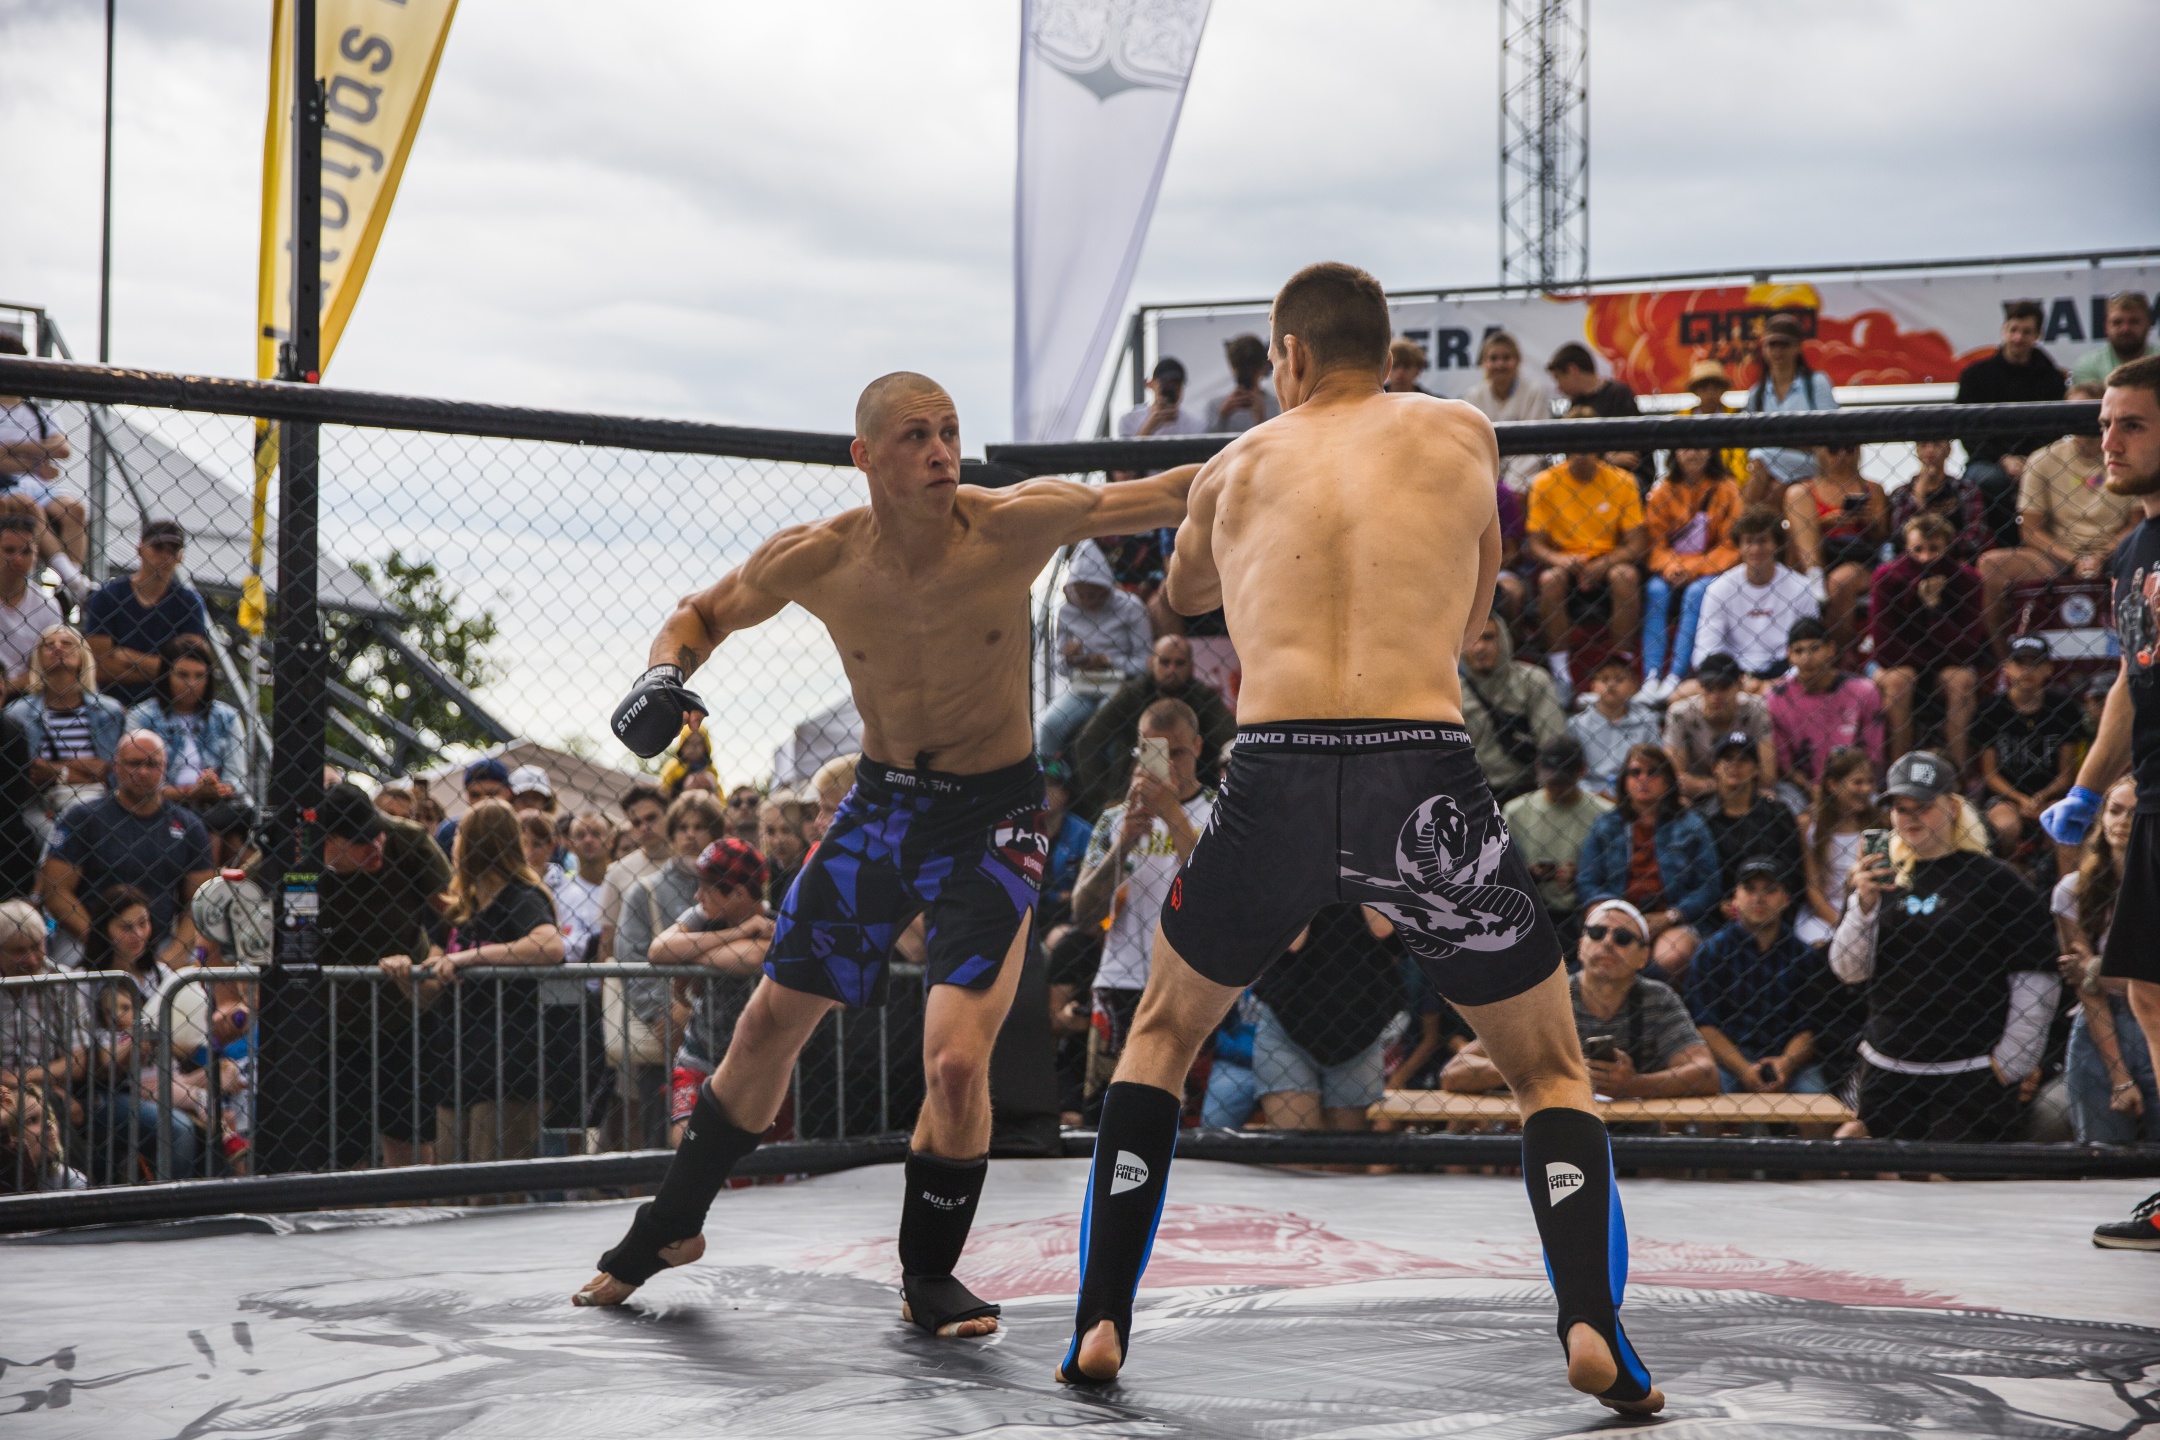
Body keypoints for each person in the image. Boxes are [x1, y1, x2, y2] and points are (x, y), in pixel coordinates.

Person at [1060, 263, 1664, 1413]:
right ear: (1388, 355)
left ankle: (1100, 1319)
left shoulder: (1236, 465)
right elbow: (1477, 614)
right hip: (1416, 771)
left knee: (1162, 1037)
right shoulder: (1460, 432)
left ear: (1287, 357)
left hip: (1274, 771)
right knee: (1549, 1069)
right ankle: (1592, 1324)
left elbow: (1185, 597)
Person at [578, 369, 1197, 1343]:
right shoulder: (820, 556)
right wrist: (662, 672)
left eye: (950, 431)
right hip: (881, 809)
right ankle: (673, 1222)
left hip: (993, 816)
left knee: (954, 1063)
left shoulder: (1014, 526)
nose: (942, 451)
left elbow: (1166, 491)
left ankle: (929, 1273)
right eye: (916, 435)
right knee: (765, 1025)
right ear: (864, 456)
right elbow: (701, 613)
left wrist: (1301, 452)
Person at [2040, 353, 2160, 1247]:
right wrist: (2086, 791)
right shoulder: (2132, 551)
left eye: (2132, 425)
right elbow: (2128, 679)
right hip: (2151, 791)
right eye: (2105, 423)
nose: (2108, 442)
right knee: (2149, 992)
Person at [1833, 751, 2059, 1142]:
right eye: (1900, 809)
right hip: (1889, 1066)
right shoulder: (1880, 880)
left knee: (1951, 1176)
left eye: (1923, 807)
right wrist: (1862, 906)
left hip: (1969, 1069)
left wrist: (2010, 1062)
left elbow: (2036, 974)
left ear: (1953, 807)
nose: (1911, 818)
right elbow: (1849, 970)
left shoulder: (1997, 882)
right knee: (1887, 1174)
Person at [1069, 699, 1215, 1119]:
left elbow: (1216, 894)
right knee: (1107, 1113)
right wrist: (1123, 845)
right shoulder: (1116, 819)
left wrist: (1172, 814)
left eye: (1177, 753)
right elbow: (1081, 912)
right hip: (1121, 979)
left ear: (1198, 747)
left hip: (1191, 982)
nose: (1166, 765)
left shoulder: (1219, 811)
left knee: (1180, 1117)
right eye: (1153, 752)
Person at [408, 799, 566, 1163]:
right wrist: (406, 974)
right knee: (448, 1173)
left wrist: (470, 957)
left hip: (507, 1062)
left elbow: (549, 945)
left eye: (460, 834)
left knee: (492, 1179)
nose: (453, 844)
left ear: (478, 842)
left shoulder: (521, 896)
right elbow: (430, 989)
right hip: (454, 1059)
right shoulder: (459, 907)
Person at [1440, 897, 1716, 1099]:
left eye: (1622, 938)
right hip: (1560, 1122)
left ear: (1643, 956)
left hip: (1637, 1129)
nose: (1607, 942)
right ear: (1581, 946)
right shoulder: (1549, 997)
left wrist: (1632, 1085)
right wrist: (1542, 1069)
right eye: (1596, 933)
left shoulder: (1657, 998)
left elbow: (1706, 1072)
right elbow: (1454, 1072)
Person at [316, 780, 451, 1169]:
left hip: (405, 1013)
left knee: (409, 1137)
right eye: (362, 842)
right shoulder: (291, 851)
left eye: (378, 833)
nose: (377, 845)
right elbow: (227, 903)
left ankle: (411, 1206)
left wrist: (437, 957)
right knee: (344, 1150)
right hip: (330, 1023)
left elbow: (455, 911)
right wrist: (231, 997)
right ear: (329, 842)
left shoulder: (407, 839)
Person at [1977, 384, 2140, 649]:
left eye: (2089, 414)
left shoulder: (2128, 457)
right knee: (1991, 565)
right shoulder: (2043, 459)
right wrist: (2074, 559)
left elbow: (2136, 523)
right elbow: (2030, 530)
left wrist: (2100, 556)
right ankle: (2005, 660)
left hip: (2118, 554)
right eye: (2074, 414)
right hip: (2056, 556)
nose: (2082, 422)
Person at [612, 790, 727, 1150]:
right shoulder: (643, 892)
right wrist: (664, 1013)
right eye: (682, 828)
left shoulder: (732, 889)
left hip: (722, 1029)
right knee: (661, 1138)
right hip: (664, 1034)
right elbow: (632, 959)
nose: (691, 835)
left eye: (701, 827)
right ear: (672, 833)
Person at [42, 730, 214, 968]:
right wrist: (102, 944)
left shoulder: (188, 826)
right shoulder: (83, 818)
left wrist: (175, 955)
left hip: (158, 942)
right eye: (134, 763)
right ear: (116, 767)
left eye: (152, 764)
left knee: (199, 974)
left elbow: (200, 902)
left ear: (165, 767)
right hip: (85, 940)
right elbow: (55, 891)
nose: (143, 772)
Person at [645, 838, 772, 1146]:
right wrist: (739, 932)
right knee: (686, 1140)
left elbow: (750, 958)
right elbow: (659, 950)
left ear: (738, 893)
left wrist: (690, 956)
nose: (697, 896)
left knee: (752, 1153)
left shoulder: (773, 923)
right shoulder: (704, 916)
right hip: (700, 1055)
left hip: (756, 1065)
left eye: (707, 888)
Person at [2052, 777, 2158, 1144]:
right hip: (2100, 1028)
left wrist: (2096, 968)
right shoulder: (2072, 890)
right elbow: (2086, 988)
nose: (2123, 821)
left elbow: (2091, 972)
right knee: (2100, 1153)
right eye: (2115, 810)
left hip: (2155, 1018)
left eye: (2135, 813)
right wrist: (2119, 1077)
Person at [1250, 904, 1406, 1133]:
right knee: (1294, 1149)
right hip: (1288, 1022)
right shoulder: (1289, 877)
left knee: (1347, 1151)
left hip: (1360, 1028)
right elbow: (1294, 942)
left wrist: (1355, 880)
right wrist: (1318, 881)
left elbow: (1382, 929)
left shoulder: (1371, 878)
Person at [1526, 408, 1648, 695]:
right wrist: (1562, 560)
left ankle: (1621, 664)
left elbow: (1636, 544)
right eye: (1574, 442)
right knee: (1550, 580)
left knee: (1625, 576)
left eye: (1587, 441)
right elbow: (1535, 544)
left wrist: (1604, 563)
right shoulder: (1544, 482)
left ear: (1599, 443)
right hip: (1564, 561)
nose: (1581, 452)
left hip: (1609, 560)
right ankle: (1561, 673)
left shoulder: (1623, 481)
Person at [1575, 743, 1720, 979]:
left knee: (1672, 956)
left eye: (1653, 772)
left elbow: (1710, 884)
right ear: (1624, 781)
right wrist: (1612, 910)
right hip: (1618, 915)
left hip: (1672, 918)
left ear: (1668, 781)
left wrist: (1673, 915)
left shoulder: (1691, 825)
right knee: (1607, 943)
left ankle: (1658, 1001)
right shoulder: (1605, 825)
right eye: (1635, 772)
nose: (1643, 779)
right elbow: (1587, 881)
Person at [1687, 860, 1829, 1095]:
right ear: (1735, 898)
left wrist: (1785, 1064)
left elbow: (1810, 1028)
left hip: (1789, 1058)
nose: (1759, 898)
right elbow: (1703, 1025)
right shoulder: (1711, 952)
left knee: (1814, 1095)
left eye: (1770, 890)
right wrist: (1744, 1069)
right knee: (1712, 1091)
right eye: (1749, 889)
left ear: (1786, 899)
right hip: (1729, 1059)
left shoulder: (1804, 956)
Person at [1070, 634, 1236, 813]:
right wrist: (1105, 797)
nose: (1172, 670)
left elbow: (1230, 742)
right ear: (1151, 663)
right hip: (1134, 792)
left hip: (1194, 794)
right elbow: (1088, 741)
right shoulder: (1132, 694)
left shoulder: (1203, 696)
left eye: (1180, 663)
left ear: (1191, 666)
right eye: (1165, 662)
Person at [1869, 514, 1984, 770]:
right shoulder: (1887, 578)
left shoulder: (1968, 580)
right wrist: (1936, 649)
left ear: (1948, 547)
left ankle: (1956, 773)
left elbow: (1968, 649)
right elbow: (1884, 650)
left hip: (1942, 666)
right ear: (1906, 547)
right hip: (1903, 665)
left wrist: (1935, 610)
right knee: (1900, 680)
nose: (1925, 558)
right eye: (1917, 550)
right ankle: (1897, 771)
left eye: (1934, 549)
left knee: (1961, 681)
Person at [1956, 300, 2069, 550]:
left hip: (2039, 460)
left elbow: (2055, 431)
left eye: (2026, 331)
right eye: (2013, 329)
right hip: (1988, 460)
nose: (2018, 337)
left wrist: (2032, 460)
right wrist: (2002, 459)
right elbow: (1968, 432)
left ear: (2037, 335)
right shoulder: (1975, 376)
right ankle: (1996, 549)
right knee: (1987, 479)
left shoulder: (2051, 379)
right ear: (2003, 330)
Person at [5, 623, 124, 844]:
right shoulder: (17, 713)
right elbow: (29, 775)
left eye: (67, 643)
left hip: (101, 800)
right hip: (40, 805)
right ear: (38, 658)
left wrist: (55, 772)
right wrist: (85, 768)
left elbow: (108, 771)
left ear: (82, 656)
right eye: (49, 645)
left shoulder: (109, 711)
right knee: (55, 838)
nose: (58, 647)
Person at [1640, 447, 1742, 700]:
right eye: (1685, 447)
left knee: (1697, 592)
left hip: (1712, 569)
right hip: (1671, 569)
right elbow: (1654, 544)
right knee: (1655, 590)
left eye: (1699, 447)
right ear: (1674, 453)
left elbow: (1732, 545)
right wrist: (1672, 567)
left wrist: (1694, 569)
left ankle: (1676, 675)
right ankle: (1651, 676)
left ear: (1711, 452)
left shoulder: (1727, 489)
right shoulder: (1663, 491)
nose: (1692, 453)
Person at [81, 520, 212, 711]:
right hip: (111, 704)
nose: (165, 555)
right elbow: (97, 668)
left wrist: (130, 658)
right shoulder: (108, 596)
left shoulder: (189, 602)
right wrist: (166, 671)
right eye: (157, 547)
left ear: (180, 557)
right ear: (140, 549)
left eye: (173, 550)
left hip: (166, 708)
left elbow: (190, 667)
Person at [1038, 543, 1151, 763]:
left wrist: (1109, 661)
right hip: (1083, 685)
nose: (1088, 599)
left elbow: (1146, 662)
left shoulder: (1131, 607)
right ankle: (1051, 777)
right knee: (1049, 726)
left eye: (1094, 592)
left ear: (1106, 586)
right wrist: (1070, 660)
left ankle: (1105, 783)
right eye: (1082, 593)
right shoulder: (1066, 612)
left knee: (1104, 727)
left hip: (1122, 686)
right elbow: (1059, 667)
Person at [1686, 508, 1819, 688]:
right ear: (1739, 547)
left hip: (1784, 670)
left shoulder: (1801, 587)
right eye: (1749, 542)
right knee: (1683, 693)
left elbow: (1811, 647)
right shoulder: (1719, 588)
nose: (1755, 549)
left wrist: (1781, 683)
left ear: (1776, 544)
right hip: (1732, 674)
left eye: (1763, 541)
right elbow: (1705, 650)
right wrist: (1735, 682)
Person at [0, 340, 92, 597]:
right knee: (29, 506)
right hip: (6, 485)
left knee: (74, 510)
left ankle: (69, 591)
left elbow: (62, 448)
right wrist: (37, 459)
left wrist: (12, 448)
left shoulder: (37, 412)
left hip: (38, 484)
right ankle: (73, 579)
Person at [1978, 636, 2082, 856]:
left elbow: (2066, 774)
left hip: (2051, 794)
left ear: (2048, 669)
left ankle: (2062, 877)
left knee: (2063, 822)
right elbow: (1990, 774)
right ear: (2007, 667)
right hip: (2005, 796)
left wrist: (2040, 798)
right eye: (2020, 663)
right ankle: (2005, 873)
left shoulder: (2064, 709)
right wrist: (2021, 800)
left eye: (2036, 664)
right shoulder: (1991, 709)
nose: (2028, 670)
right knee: (2005, 825)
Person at [1502, 735, 1611, 939]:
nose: (1557, 788)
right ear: (1538, 768)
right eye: (1551, 781)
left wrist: (1581, 876)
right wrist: (1531, 875)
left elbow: (1614, 872)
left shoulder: (1604, 813)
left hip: (1585, 910)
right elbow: (1501, 873)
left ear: (1582, 771)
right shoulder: (1515, 812)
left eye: (1564, 782)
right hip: (1530, 909)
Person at [1781, 444, 1887, 646]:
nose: (1842, 456)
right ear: (1820, 451)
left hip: (1859, 559)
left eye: (1849, 449)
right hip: (1817, 553)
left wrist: (1867, 521)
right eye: (1833, 450)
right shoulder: (1806, 489)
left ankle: (1837, 650)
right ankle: (1814, 576)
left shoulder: (1872, 489)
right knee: (1797, 494)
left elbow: (1882, 538)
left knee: (1841, 580)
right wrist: (1824, 522)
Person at [124, 635, 248, 807]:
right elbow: (133, 783)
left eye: (200, 675)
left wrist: (218, 788)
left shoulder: (227, 717)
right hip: (160, 807)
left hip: (215, 807)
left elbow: (236, 778)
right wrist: (190, 792)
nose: (191, 684)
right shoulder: (141, 717)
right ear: (166, 675)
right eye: (183, 675)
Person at [1767, 617, 1884, 797]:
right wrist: (1813, 790)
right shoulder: (1776, 698)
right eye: (1798, 651)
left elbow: (1872, 753)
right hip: (1801, 789)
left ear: (1831, 649)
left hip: (1857, 785)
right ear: (1788, 655)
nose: (1807, 658)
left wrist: (1844, 789)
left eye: (1814, 648)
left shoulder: (1863, 691)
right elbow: (1785, 764)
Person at [1458, 612, 1568, 802]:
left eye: (1488, 638)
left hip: (1530, 789)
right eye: (1472, 640)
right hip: (1475, 792)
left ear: (1504, 640)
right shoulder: (1455, 691)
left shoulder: (1533, 680)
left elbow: (1552, 742)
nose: (1480, 647)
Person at [1692, 730, 1805, 898]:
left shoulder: (1777, 814)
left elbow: (1793, 873)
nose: (1735, 765)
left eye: (1743, 759)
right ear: (1715, 768)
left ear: (1756, 769)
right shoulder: (1699, 817)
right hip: (1714, 907)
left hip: (1769, 904)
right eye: (1728, 758)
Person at [1741, 314, 1839, 504]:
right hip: (1768, 467)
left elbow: (1831, 434)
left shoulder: (1816, 383)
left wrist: (1775, 441)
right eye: (1772, 345)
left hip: (1810, 462)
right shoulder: (1756, 393)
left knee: (1760, 460)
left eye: (1784, 344)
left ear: (1797, 347)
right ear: (1764, 348)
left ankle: (1742, 519)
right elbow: (1750, 441)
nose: (1778, 351)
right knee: (1773, 485)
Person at [1662, 651, 1777, 801]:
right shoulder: (1680, 714)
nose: (1715, 696)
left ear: (1740, 684)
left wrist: (1707, 785)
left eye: (1724, 687)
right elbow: (1677, 780)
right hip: (1699, 798)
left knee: (1772, 797)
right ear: (1700, 687)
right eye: (1709, 688)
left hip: (1745, 796)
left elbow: (1768, 777)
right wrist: (1734, 783)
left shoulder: (1756, 709)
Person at [1796, 745, 1881, 946]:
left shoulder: (1879, 823)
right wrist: (1841, 924)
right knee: (1820, 943)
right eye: (1857, 782)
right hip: (1827, 912)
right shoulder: (1811, 827)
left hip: (1869, 905)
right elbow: (1813, 889)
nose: (1866, 789)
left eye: (1870, 782)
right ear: (1833, 784)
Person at [1461, 330, 1554, 493]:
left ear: (1517, 360)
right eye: (1493, 358)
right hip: (1486, 475)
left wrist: (1511, 487)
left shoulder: (1534, 392)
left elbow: (1535, 445)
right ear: (1484, 362)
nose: (1500, 365)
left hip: (1526, 477)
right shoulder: (1473, 396)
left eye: (1506, 358)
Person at [1568, 652, 1661, 796]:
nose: (1611, 685)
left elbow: (1656, 764)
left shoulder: (1647, 721)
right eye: (1604, 679)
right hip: (1589, 792)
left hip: (1635, 791)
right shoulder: (1577, 724)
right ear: (1593, 686)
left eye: (1619, 679)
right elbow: (1572, 772)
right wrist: (1590, 794)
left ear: (1633, 686)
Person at [1887, 439, 1990, 563]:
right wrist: (1918, 496)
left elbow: (1974, 538)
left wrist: (1936, 546)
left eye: (1937, 444)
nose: (1930, 450)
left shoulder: (1966, 489)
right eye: (1924, 444)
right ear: (1917, 450)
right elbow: (1899, 537)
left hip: (1957, 562)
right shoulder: (1901, 494)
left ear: (1949, 449)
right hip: (1914, 564)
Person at [0, 515, 59, 695]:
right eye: (9, 550)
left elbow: (49, 666)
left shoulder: (47, 605)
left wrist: (7, 688)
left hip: (27, 694)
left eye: (26, 552)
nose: (17, 559)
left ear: (36, 554)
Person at [1679, 358, 1752, 487]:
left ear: (1723, 389)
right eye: (1704, 388)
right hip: (1691, 482)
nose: (1710, 393)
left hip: (1729, 479)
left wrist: (1737, 483)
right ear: (1695, 391)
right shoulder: (1682, 419)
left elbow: (1739, 454)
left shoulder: (1736, 416)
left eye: (1716, 387)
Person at [2070, 291, 2158, 388]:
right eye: (2117, 322)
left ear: (2148, 325)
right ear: (2106, 327)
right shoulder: (2088, 366)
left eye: (2133, 321)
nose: (2125, 329)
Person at [1117, 357, 1213, 441]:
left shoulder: (1196, 424)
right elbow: (1128, 454)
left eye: (1176, 386)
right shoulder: (1128, 420)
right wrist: (1151, 425)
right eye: (1165, 385)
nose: (1171, 390)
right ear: (1150, 384)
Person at [434, 757, 513, 856]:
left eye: (492, 794)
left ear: (508, 792)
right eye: (475, 795)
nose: (483, 801)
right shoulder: (450, 831)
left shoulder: (520, 827)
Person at [1212, 333, 1281, 432]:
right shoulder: (1216, 406)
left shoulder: (1275, 404)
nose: (1246, 372)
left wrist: (1261, 420)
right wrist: (1222, 415)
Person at [755, 794, 810, 903]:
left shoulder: (812, 868)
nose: (778, 841)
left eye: (786, 830)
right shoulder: (766, 871)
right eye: (770, 831)